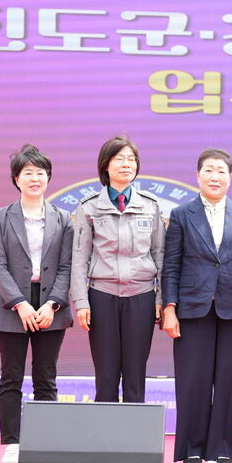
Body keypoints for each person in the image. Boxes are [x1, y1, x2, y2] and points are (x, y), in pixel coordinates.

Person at [161, 148, 232, 463]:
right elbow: (171, 265)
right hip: (193, 307)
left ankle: (223, 448)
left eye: (221, 171)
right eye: (208, 170)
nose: (215, 176)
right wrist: (169, 308)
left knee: (229, 378)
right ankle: (192, 448)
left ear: (230, 177)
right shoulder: (182, 214)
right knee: (192, 378)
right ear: (197, 176)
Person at [0, 144, 74, 463]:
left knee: (45, 378)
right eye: (28, 173)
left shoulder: (63, 218)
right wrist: (20, 304)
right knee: (11, 376)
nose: (35, 178)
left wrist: (52, 304)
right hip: (12, 307)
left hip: (51, 307)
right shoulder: (1, 217)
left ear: (48, 178)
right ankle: (12, 443)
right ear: (16, 179)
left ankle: (43, 443)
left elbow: (67, 266)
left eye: (40, 173)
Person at [70, 135, 165, 402]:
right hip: (102, 296)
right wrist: (81, 302)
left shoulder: (150, 205)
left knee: (136, 376)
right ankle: (105, 429)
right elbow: (79, 258)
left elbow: (161, 255)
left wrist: (161, 298)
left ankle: (135, 430)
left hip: (141, 297)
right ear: (106, 165)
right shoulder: (89, 207)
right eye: (119, 159)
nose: (127, 164)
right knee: (106, 376)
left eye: (131, 159)